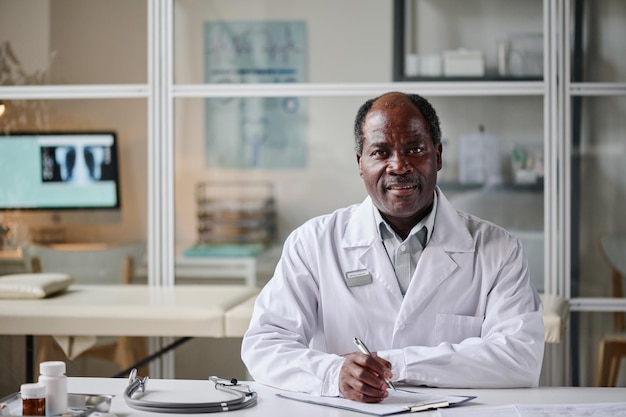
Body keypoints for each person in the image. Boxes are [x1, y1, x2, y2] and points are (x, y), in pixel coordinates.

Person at [241, 91, 544, 403]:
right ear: (360, 163)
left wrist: (394, 365)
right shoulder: (313, 243)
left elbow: (520, 358)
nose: (399, 166)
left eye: (414, 149)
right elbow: (265, 344)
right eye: (380, 153)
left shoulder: (500, 250)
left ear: (437, 156)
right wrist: (334, 374)